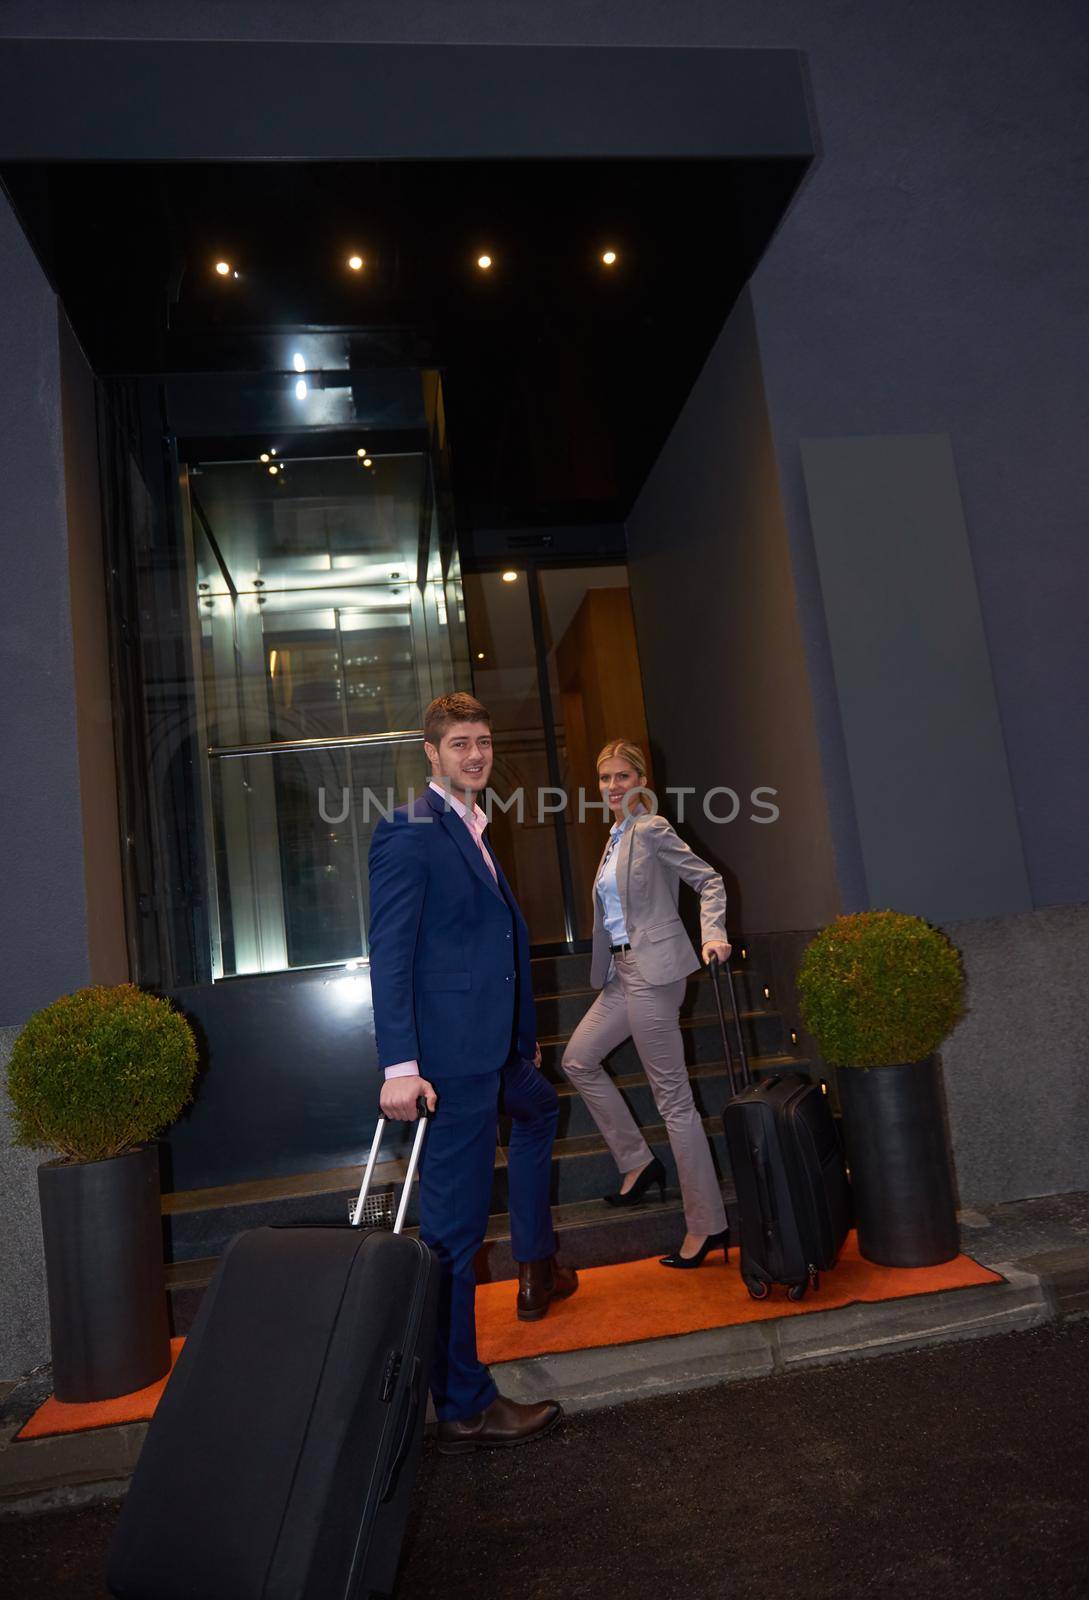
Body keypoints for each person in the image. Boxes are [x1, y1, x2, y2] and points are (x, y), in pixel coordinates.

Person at [368, 691, 577, 1454]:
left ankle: (536, 1261)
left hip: (494, 1054)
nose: (475, 755)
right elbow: (390, 954)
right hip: (448, 1067)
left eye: (483, 741)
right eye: (459, 743)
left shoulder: (475, 827)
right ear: (431, 752)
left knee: (540, 1109)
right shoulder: (410, 828)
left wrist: (520, 1043)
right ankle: (460, 1402)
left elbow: (489, 949)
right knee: (452, 1236)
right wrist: (399, 1064)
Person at [562, 740, 732, 1268]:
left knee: (673, 1101)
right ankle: (638, 1162)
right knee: (577, 1059)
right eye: (605, 778)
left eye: (621, 776)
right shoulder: (614, 838)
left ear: (641, 780)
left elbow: (708, 881)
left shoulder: (652, 829)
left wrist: (713, 934)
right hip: (621, 973)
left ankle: (706, 1224)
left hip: (655, 973)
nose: (613, 786)